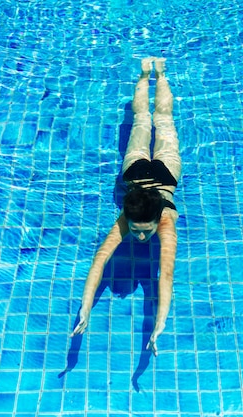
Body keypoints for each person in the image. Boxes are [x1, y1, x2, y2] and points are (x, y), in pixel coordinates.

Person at [71, 57, 181, 356]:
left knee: (156, 118)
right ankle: (148, 74)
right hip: (138, 173)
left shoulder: (166, 224)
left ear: (158, 219)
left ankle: (157, 73)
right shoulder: (127, 216)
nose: (141, 237)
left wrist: (158, 326)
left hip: (161, 174)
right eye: (137, 231)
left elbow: (165, 278)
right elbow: (99, 262)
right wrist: (85, 309)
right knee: (150, 119)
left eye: (146, 232)